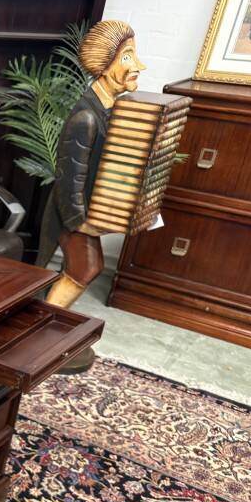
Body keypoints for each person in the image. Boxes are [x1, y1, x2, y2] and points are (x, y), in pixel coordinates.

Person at [42, 20, 145, 311]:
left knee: (86, 268)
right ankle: (44, 321)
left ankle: (48, 321)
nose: (138, 65)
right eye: (127, 57)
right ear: (103, 63)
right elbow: (69, 179)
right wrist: (81, 223)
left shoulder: (110, 111)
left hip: (88, 211)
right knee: (85, 267)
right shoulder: (86, 118)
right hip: (71, 214)